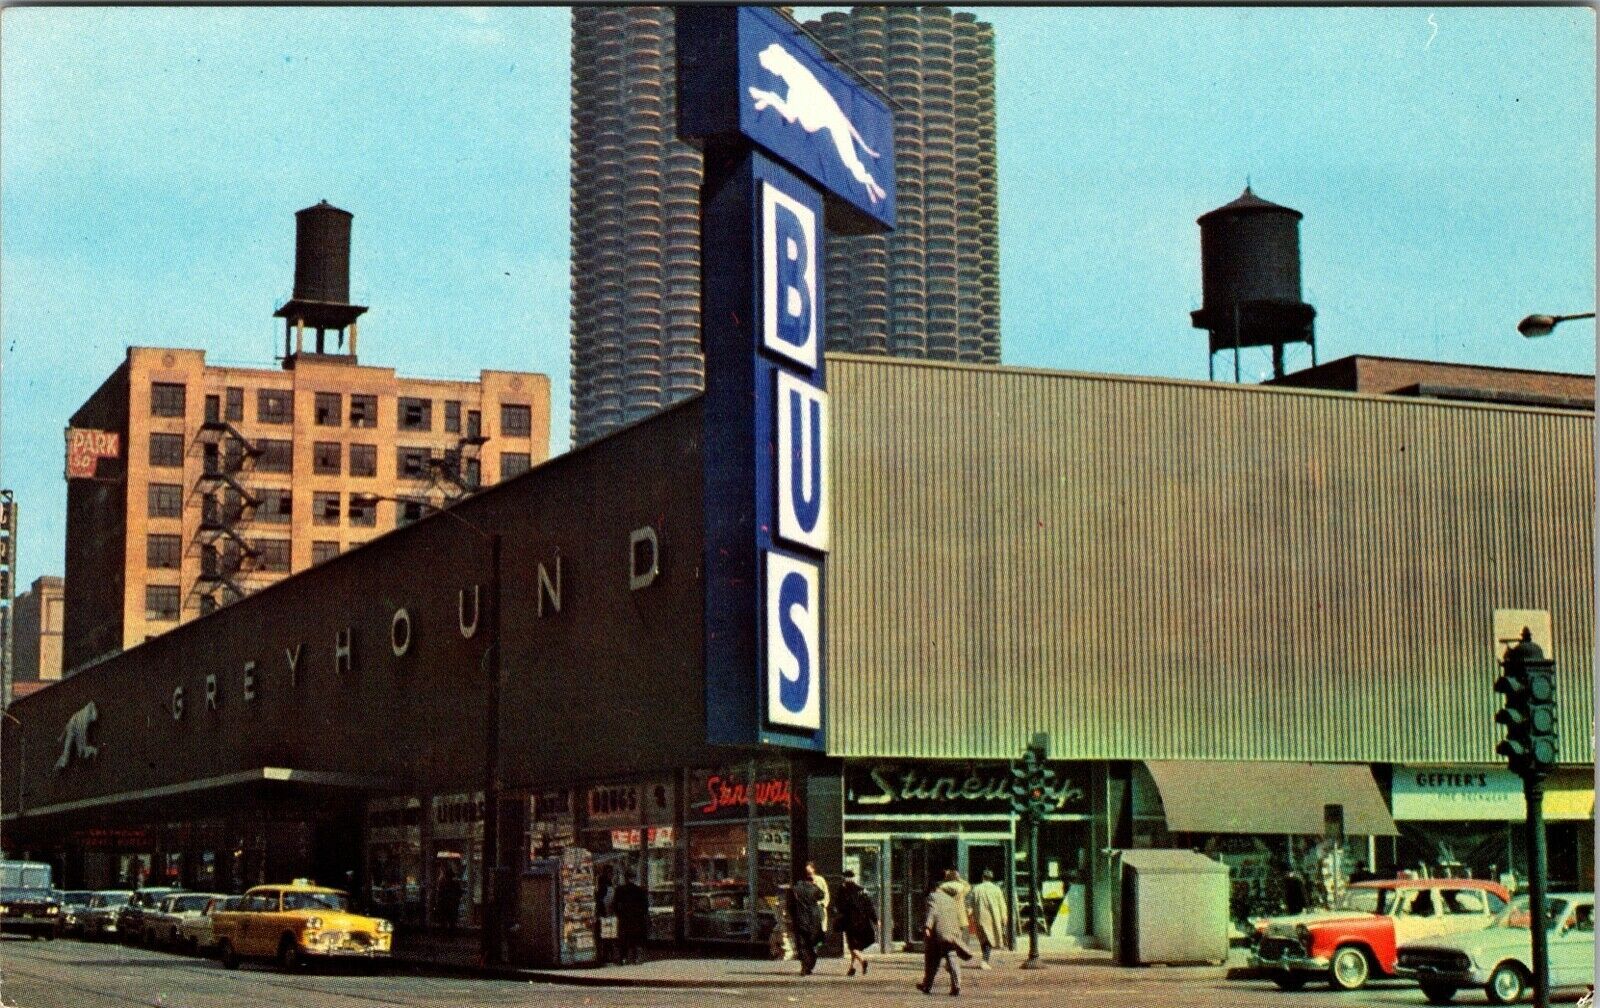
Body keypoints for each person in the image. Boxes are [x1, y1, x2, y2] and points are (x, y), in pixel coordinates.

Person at [918, 877, 972, 996]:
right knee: (952, 958)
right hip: (951, 933)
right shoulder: (950, 899)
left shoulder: (932, 897)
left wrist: (928, 926)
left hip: (938, 934)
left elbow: (933, 911)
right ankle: (956, 986)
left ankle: (927, 985)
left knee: (932, 961)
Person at [836, 868, 878, 977]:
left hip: (850, 922)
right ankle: (852, 968)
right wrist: (875, 919)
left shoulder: (843, 890)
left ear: (844, 878)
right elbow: (869, 905)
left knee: (852, 946)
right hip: (863, 922)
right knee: (856, 946)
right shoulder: (861, 890)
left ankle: (863, 960)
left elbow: (840, 906)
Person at [968, 869, 1009, 969]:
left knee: (983, 940)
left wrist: (970, 914)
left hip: (980, 917)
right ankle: (984, 961)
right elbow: (1002, 904)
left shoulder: (976, 889)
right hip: (993, 918)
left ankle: (984, 959)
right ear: (991, 878)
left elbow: (970, 904)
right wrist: (1004, 917)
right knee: (989, 940)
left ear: (983, 878)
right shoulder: (997, 889)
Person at [787, 869, 826, 976]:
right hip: (813, 920)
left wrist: (792, 917)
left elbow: (790, 905)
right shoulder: (814, 889)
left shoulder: (795, 889)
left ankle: (804, 965)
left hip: (800, 920)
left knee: (802, 944)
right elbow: (822, 895)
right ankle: (810, 963)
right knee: (812, 943)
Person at [611, 869, 649, 965]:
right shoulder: (640, 890)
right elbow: (645, 905)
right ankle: (635, 958)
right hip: (637, 918)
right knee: (635, 938)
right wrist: (641, 914)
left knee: (623, 938)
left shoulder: (620, 890)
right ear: (634, 878)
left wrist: (619, 914)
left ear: (625, 878)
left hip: (624, 918)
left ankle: (622, 958)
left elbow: (615, 905)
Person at [434, 862, 462, 937]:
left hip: (444, 905)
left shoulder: (442, 884)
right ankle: (451, 935)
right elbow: (459, 894)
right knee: (452, 922)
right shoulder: (455, 884)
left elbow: (440, 894)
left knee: (444, 922)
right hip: (452, 905)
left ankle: (444, 935)